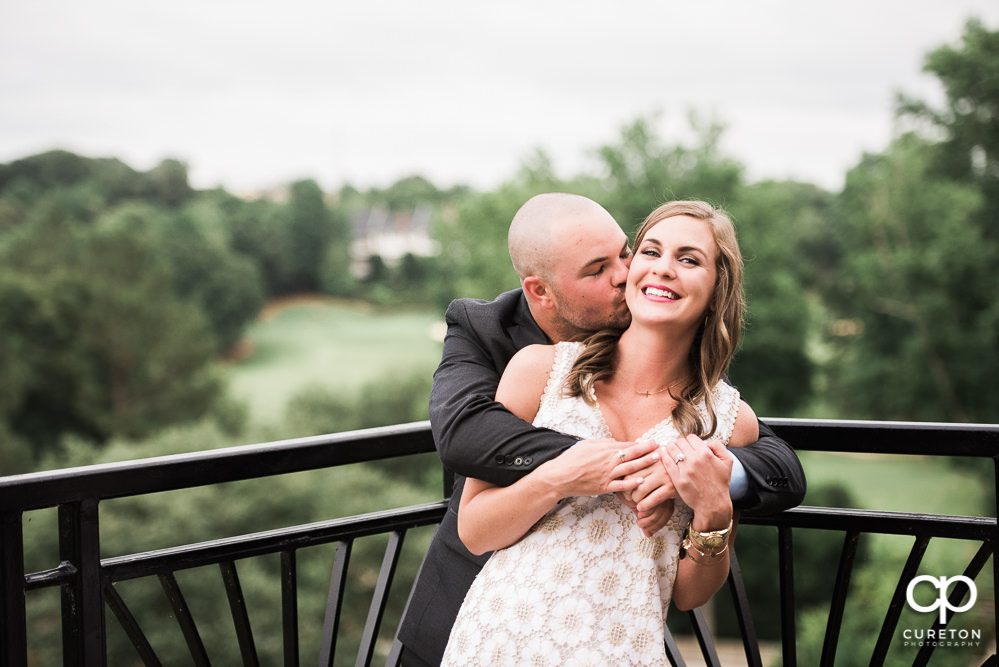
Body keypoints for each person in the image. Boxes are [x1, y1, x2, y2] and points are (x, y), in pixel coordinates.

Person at [394, 193, 805, 666]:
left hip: (621, 648)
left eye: (628, 253)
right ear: (541, 292)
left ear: (718, 287)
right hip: (497, 631)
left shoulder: (722, 416)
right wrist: (580, 471)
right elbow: (464, 442)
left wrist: (712, 501)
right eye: (649, 252)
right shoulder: (529, 363)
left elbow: (693, 590)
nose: (634, 270)